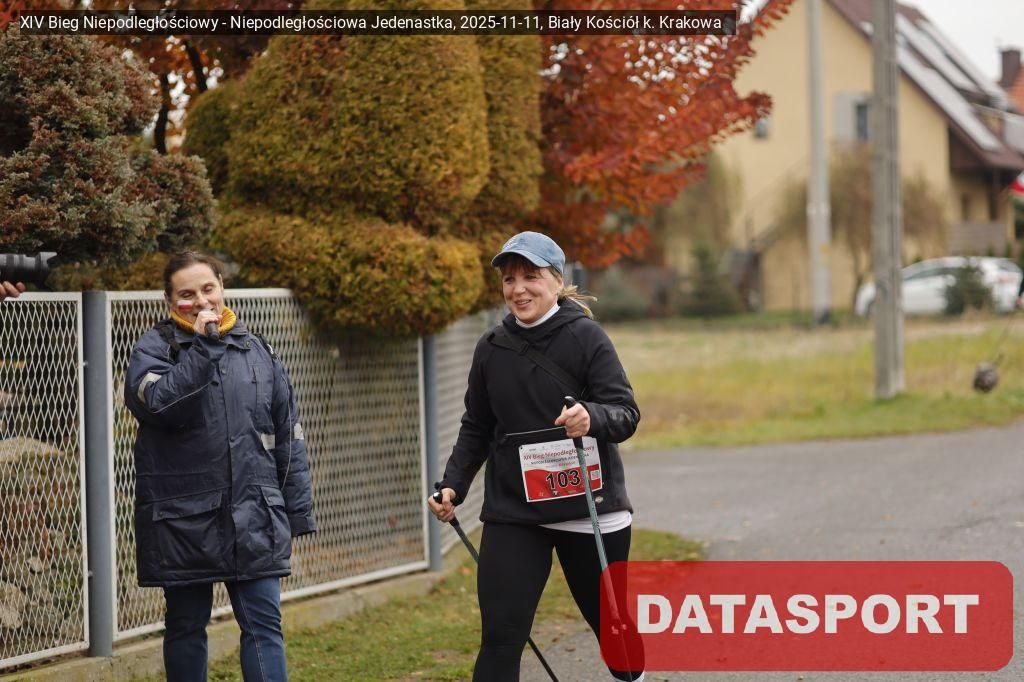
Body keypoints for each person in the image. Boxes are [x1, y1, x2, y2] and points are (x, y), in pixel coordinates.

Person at [428, 231, 645, 682]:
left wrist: (591, 416)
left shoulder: (586, 337)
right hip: (516, 511)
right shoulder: (492, 347)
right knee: (501, 638)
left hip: (588, 508)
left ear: (556, 281)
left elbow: (625, 414)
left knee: (612, 630)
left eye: (531, 276)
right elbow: (477, 425)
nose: (519, 289)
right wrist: (453, 485)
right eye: (509, 279)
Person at [124, 252, 316, 682]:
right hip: (183, 520)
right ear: (169, 300)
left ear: (222, 286)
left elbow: (288, 435)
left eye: (208, 288)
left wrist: (296, 512)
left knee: (264, 627)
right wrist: (203, 348)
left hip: (254, 514)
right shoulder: (154, 348)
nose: (200, 301)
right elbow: (160, 404)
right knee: (186, 627)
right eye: (187, 294)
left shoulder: (257, 350)